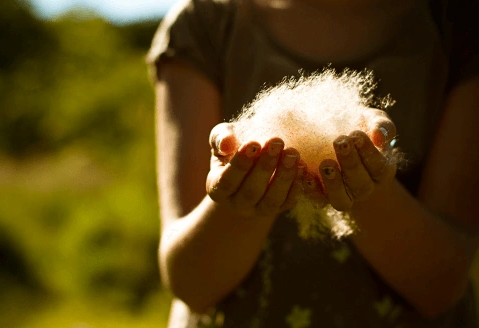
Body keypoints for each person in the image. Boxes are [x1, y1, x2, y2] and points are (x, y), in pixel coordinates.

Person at [147, 0, 479, 326]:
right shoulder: (205, 22)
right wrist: (242, 200)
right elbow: (190, 284)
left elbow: (440, 287)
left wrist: (367, 184)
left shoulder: (458, 24)